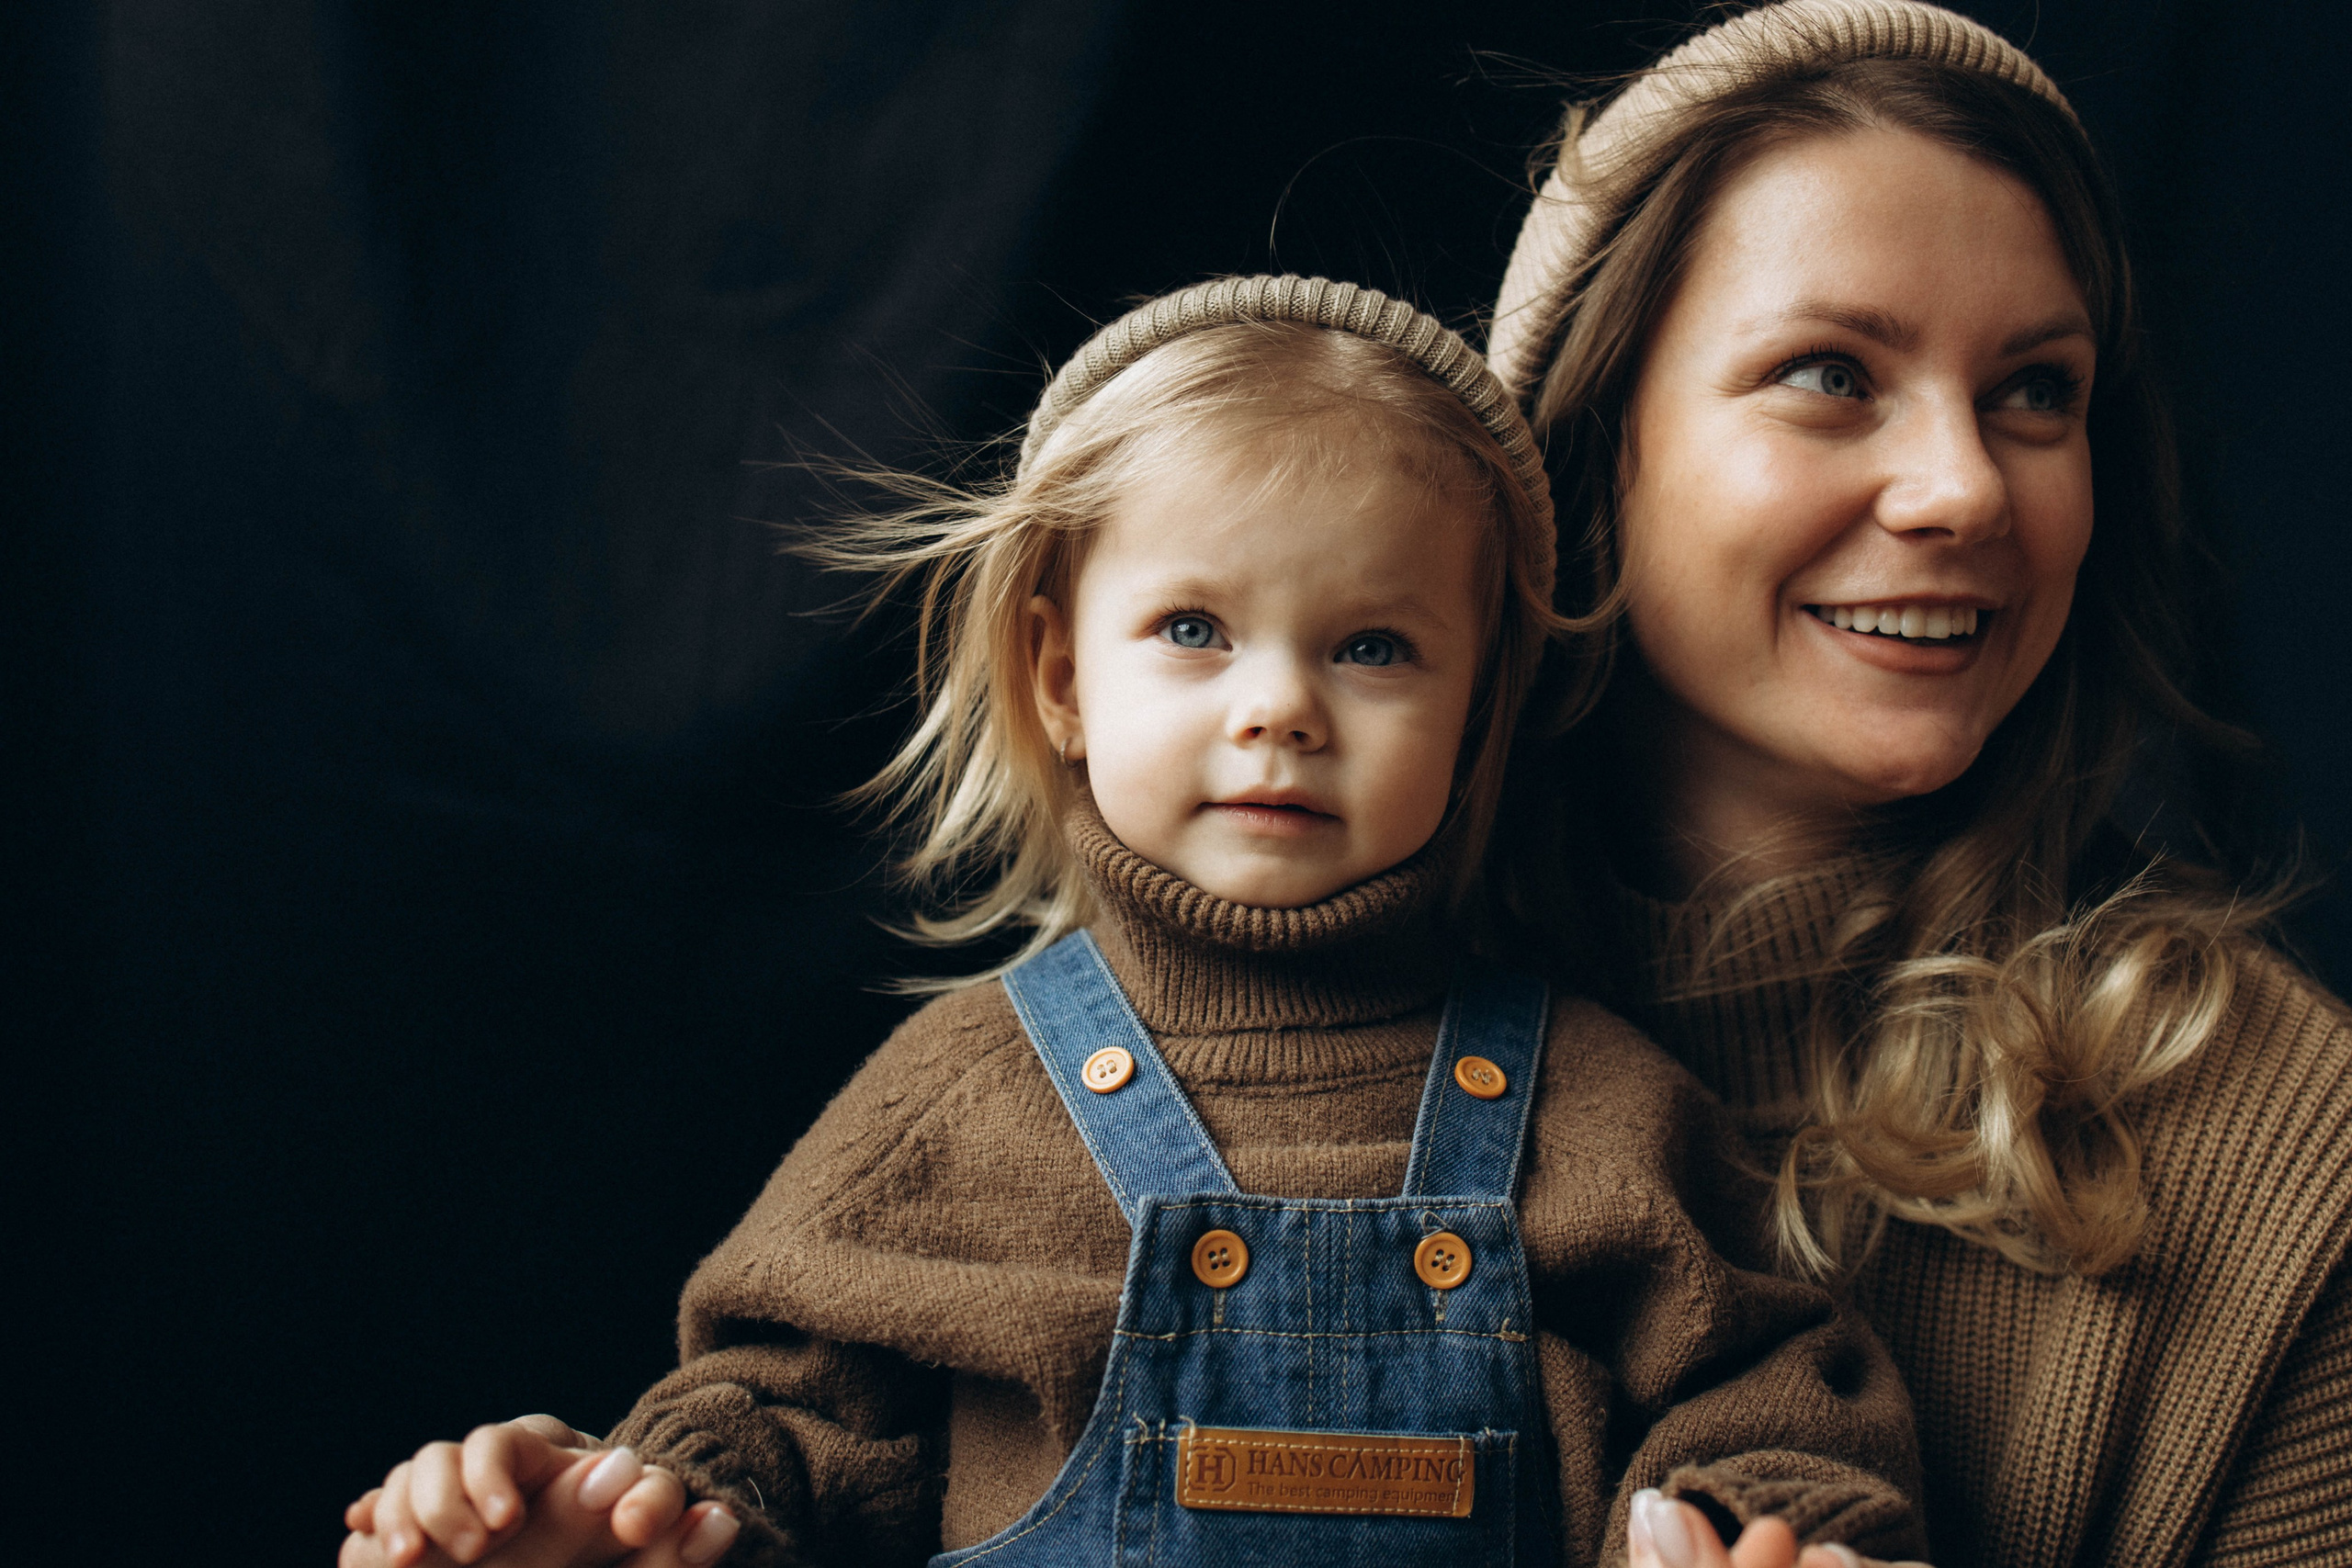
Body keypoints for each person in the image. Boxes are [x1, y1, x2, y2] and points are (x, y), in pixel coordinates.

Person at [338, 275, 1928, 1568]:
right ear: (1059, 677)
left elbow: (1769, 1393)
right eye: (1193, 628)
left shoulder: (1598, 1108)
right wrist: (649, 1519)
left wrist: (1761, 1530)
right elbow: (790, 1421)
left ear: (1477, 712)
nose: (1280, 708)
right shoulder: (959, 1098)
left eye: (1374, 648)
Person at [1484, 3, 2352, 1564]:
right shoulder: (1216, 1046)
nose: (1964, 488)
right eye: (1830, 372)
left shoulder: (2292, 1158)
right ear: (1588, 444)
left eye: (2036, 390)